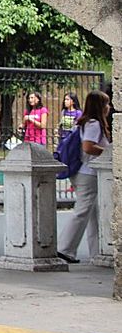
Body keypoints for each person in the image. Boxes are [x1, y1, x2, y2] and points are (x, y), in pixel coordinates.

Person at [57, 90, 112, 264]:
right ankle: (64, 249)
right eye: (106, 103)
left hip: (83, 173)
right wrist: (109, 153)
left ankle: (97, 251)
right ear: (99, 106)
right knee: (82, 211)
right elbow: (88, 147)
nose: (109, 107)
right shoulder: (94, 124)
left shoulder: (84, 122)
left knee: (93, 215)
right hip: (89, 174)